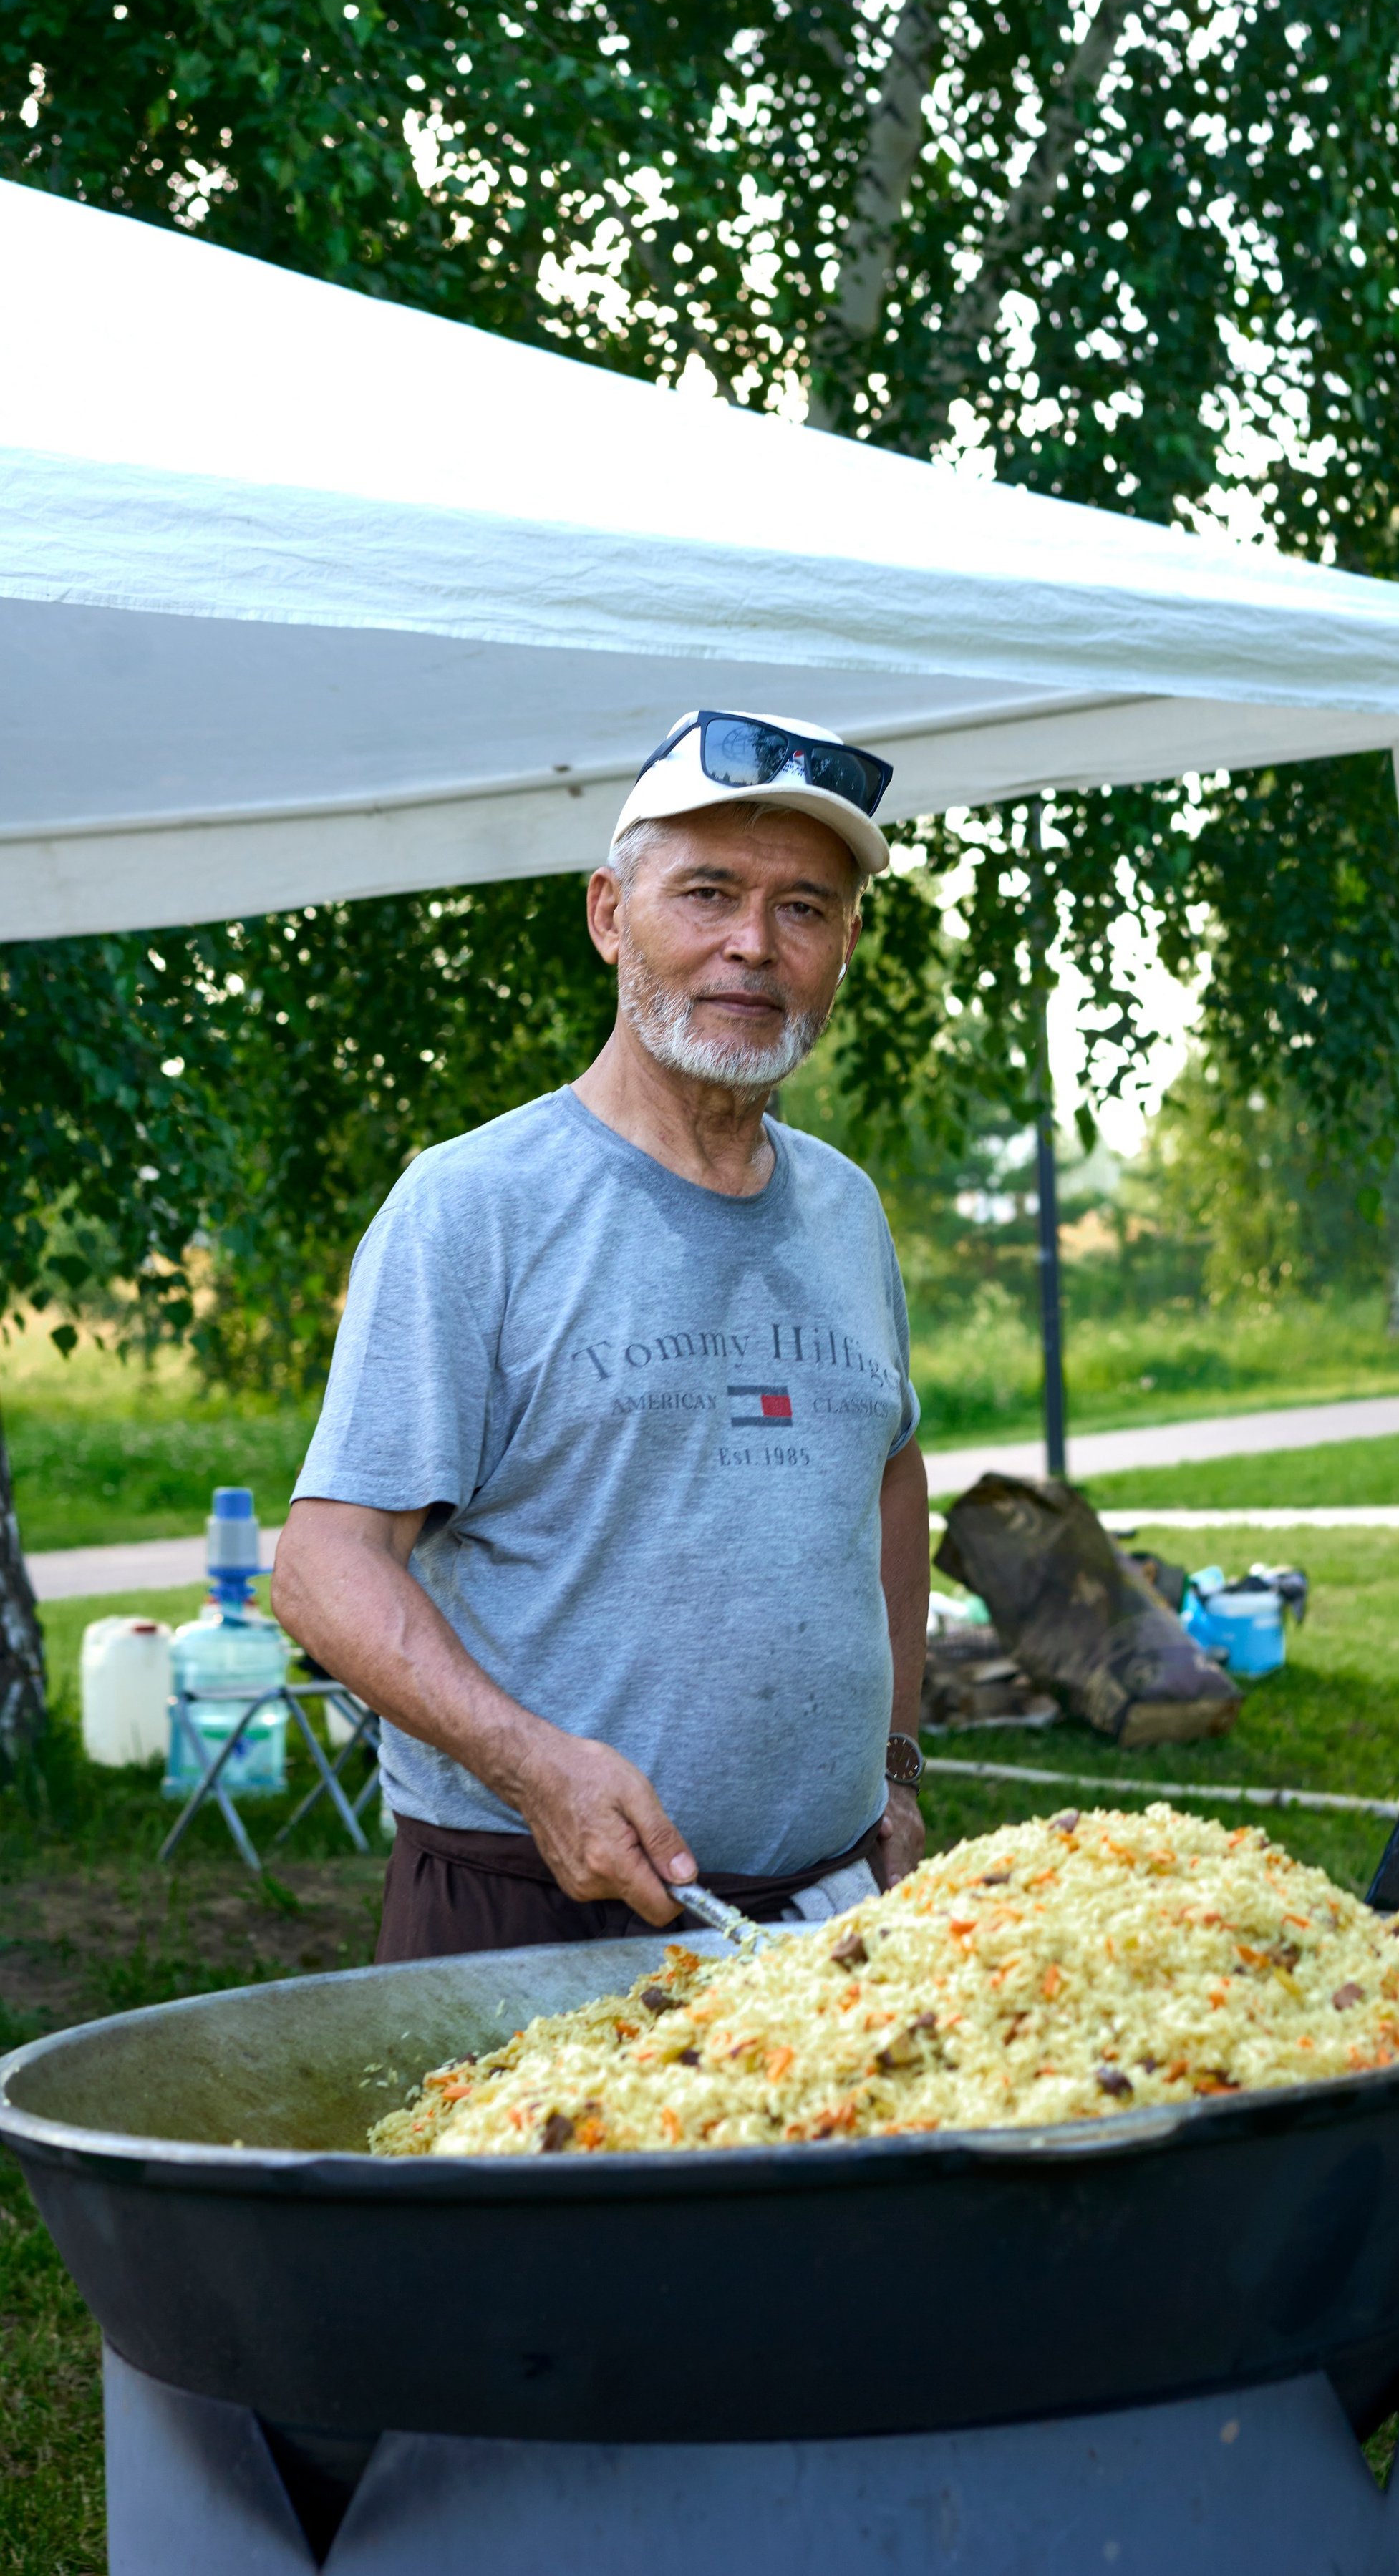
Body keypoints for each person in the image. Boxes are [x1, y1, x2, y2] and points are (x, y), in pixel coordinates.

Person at [272, 708, 930, 1963]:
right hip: (531, 1912)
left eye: (804, 907)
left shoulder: (846, 1207)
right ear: (608, 915)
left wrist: (897, 1765)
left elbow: (889, 1474)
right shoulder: (473, 1206)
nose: (752, 944)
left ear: (845, 945)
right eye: (709, 892)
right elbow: (324, 1567)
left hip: (831, 1925)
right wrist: (535, 1768)